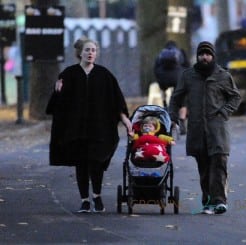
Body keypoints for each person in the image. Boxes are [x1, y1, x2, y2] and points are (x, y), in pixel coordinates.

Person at [46, 37, 132, 213]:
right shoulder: (69, 74)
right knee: (81, 164)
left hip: (99, 129)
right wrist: (57, 92)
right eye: (87, 50)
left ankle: (97, 196)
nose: (90, 53)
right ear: (79, 53)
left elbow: (116, 100)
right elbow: (57, 105)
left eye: (93, 50)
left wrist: (125, 120)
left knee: (96, 163)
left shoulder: (104, 75)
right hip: (76, 130)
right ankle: (85, 199)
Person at [169, 41, 241, 214]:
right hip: (197, 128)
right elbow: (176, 98)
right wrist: (174, 118)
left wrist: (224, 112)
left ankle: (219, 201)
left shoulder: (223, 75)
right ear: (198, 56)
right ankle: (207, 201)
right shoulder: (188, 76)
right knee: (204, 166)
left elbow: (235, 97)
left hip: (217, 128)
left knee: (219, 162)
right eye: (201, 54)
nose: (204, 57)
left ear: (213, 56)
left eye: (208, 54)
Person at [153, 40, 190, 135]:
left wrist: (159, 79)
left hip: (163, 77)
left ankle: (165, 104)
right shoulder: (180, 52)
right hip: (177, 76)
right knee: (182, 98)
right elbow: (187, 65)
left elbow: (155, 67)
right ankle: (182, 119)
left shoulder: (161, 53)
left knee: (163, 90)